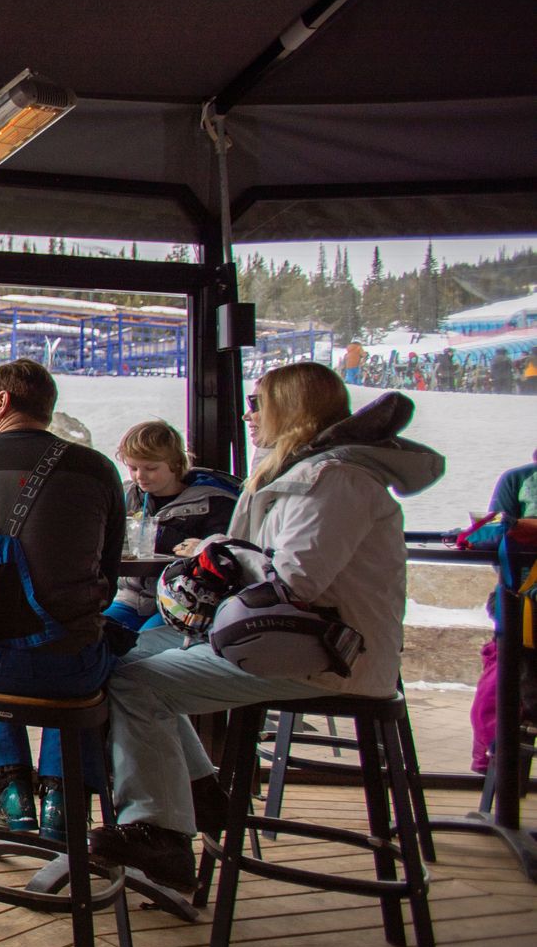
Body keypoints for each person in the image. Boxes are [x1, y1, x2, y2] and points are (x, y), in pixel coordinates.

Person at [99, 364, 444, 891]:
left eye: (258, 401)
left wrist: (220, 554)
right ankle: (197, 795)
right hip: (308, 646)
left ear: (293, 408)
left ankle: (163, 831)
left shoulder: (334, 479)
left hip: (324, 658)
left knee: (129, 681)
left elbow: (298, 579)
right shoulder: (324, 472)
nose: (248, 412)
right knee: (130, 665)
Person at [0, 359, 124, 838]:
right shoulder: (97, 470)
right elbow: (109, 577)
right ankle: (63, 794)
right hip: (68, 667)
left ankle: (7, 786)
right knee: (84, 640)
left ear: (2, 402)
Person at [106, 420, 240, 635]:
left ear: (176, 464)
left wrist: (164, 537)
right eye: (133, 468)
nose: (140, 476)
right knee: (97, 639)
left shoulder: (214, 503)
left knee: (142, 644)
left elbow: (222, 561)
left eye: (151, 468)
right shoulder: (127, 495)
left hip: (181, 602)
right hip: (131, 598)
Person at [469, 449, 537, 773]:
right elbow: (497, 537)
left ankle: (501, 763)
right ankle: (501, 763)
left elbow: (497, 535)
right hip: (521, 604)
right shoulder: (519, 479)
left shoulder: (517, 479)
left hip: (519, 606)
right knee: (510, 673)